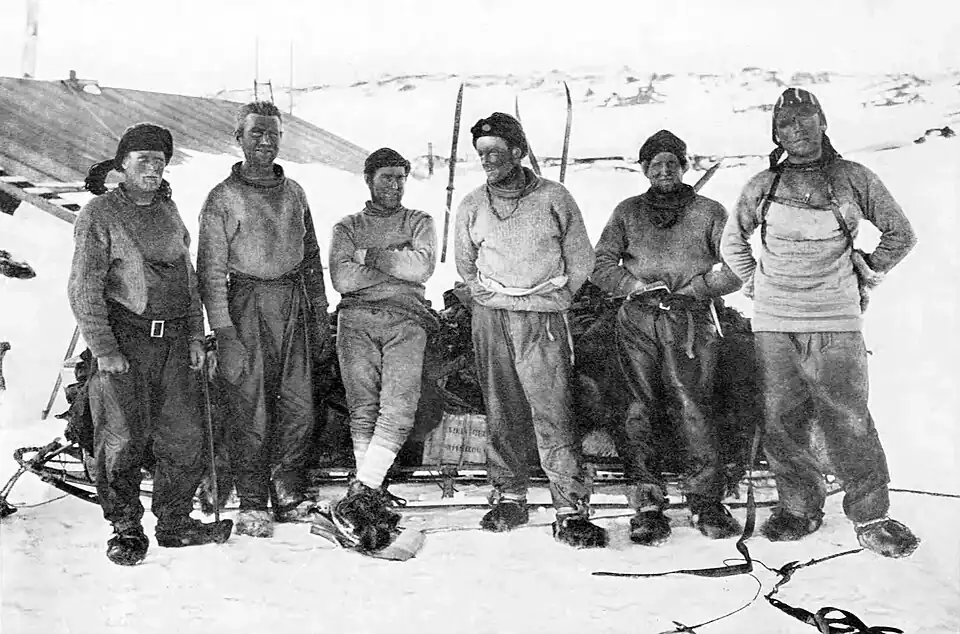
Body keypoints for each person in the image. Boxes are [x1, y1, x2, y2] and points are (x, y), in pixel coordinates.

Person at [720, 87, 920, 558]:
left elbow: (901, 233)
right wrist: (758, 284)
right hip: (774, 324)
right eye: (788, 124)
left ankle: (872, 515)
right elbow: (733, 245)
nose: (799, 131)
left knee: (847, 416)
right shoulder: (761, 186)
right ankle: (798, 507)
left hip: (836, 319)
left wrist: (866, 272)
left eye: (807, 120)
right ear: (776, 133)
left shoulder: (854, 178)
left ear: (823, 123)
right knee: (781, 418)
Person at [69, 123, 232, 566]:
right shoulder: (100, 214)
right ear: (122, 164)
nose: (154, 168)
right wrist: (104, 348)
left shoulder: (168, 210)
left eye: (160, 161)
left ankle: (175, 522)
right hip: (125, 343)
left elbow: (188, 279)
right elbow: (84, 288)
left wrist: (196, 335)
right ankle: (126, 528)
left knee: (184, 437)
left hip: (175, 343)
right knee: (121, 440)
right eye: (144, 159)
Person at [454, 112, 607, 548]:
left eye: (497, 152)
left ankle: (570, 508)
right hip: (492, 319)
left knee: (553, 409)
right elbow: (465, 265)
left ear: (519, 152)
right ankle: (509, 496)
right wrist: (491, 297)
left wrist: (553, 298)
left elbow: (581, 260)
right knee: (502, 407)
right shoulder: (472, 205)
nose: (488, 161)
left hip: (543, 320)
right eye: (482, 153)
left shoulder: (554, 198)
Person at [592, 130, 744, 546]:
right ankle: (647, 503)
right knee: (638, 407)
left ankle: (705, 500)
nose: (664, 171)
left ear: (683, 166)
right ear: (643, 169)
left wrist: (699, 290)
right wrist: (629, 285)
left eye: (671, 164)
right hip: (638, 320)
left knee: (693, 405)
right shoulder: (627, 212)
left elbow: (737, 263)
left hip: (691, 322)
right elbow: (600, 262)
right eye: (655, 164)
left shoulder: (709, 211)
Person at [197, 101, 331, 538]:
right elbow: (211, 272)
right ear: (239, 137)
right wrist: (225, 332)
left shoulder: (295, 192)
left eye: (273, 133)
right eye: (256, 133)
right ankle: (253, 500)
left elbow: (311, 258)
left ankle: (288, 491)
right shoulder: (221, 198)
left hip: (292, 302)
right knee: (249, 407)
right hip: (246, 304)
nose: (266, 141)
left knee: (299, 404)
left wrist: (319, 312)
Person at [327, 148, 438, 550]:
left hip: (407, 320)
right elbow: (342, 278)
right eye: (386, 177)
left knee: (399, 407)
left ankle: (363, 491)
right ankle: (369, 493)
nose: (394, 185)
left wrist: (369, 258)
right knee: (363, 407)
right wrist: (395, 265)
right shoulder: (347, 226)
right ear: (369, 180)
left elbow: (422, 268)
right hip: (355, 320)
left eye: (400, 177)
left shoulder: (419, 221)